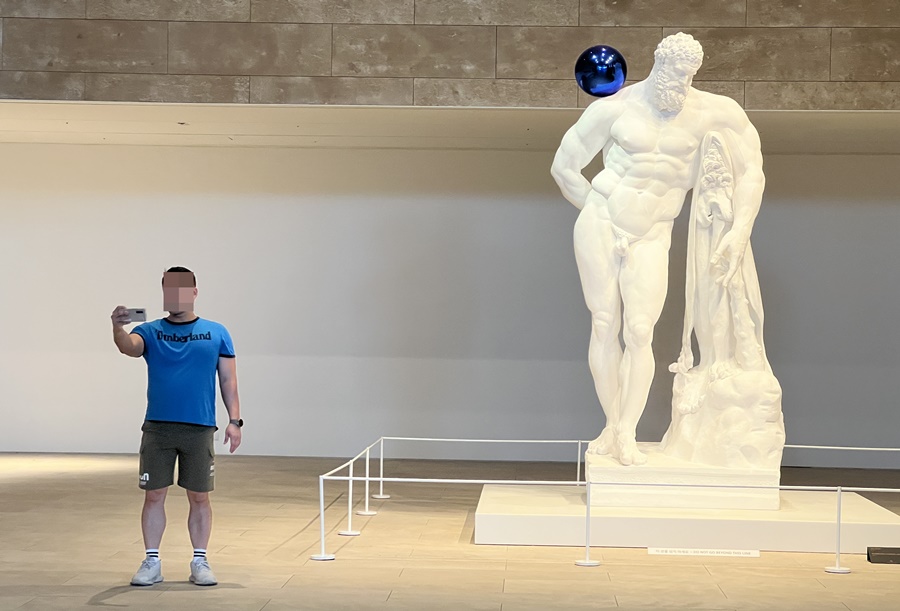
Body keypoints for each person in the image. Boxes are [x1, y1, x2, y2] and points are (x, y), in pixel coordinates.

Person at [551, 33, 767, 466]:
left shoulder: (716, 112)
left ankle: (626, 432)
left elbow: (752, 171)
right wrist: (598, 207)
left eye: (688, 75)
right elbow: (564, 166)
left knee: (640, 331)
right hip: (602, 220)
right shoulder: (615, 107)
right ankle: (611, 424)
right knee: (604, 323)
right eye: (674, 72)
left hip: (654, 231)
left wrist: (740, 229)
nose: (680, 83)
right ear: (658, 64)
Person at [111, 266, 242, 586]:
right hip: (158, 428)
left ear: (194, 292)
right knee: (154, 494)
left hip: (199, 428)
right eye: (169, 289)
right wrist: (117, 328)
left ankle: (200, 561)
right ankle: (151, 562)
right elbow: (129, 347)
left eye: (182, 289)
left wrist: (234, 421)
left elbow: (228, 380)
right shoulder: (150, 331)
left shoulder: (217, 332)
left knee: (199, 496)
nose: (176, 295)